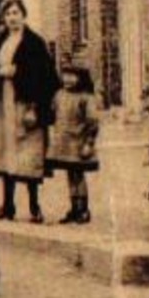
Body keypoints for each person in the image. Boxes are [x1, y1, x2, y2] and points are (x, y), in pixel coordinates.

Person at [0, 0, 59, 222]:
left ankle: (34, 206)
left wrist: (19, 74)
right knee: (7, 152)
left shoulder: (34, 43)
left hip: (25, 103)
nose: (12, 18)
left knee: (29, 154)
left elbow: (45, 77)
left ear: (24, 16)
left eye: (16, 13)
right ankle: (8, 205)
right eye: (8, 14)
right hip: (3, 104)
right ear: (3, 18)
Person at [45, 63, 101, 224]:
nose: (67, 79)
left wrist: (88, 143)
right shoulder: (59, 95)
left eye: (72, 76)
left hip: (78, 142)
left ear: (80, 78)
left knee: (78, 175)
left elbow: (92, 121)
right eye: (65, 75)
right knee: (70, 175)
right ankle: (74, 208)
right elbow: (52, 113)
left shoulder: (85, 97)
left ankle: (83, 209)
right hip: (64, 142)